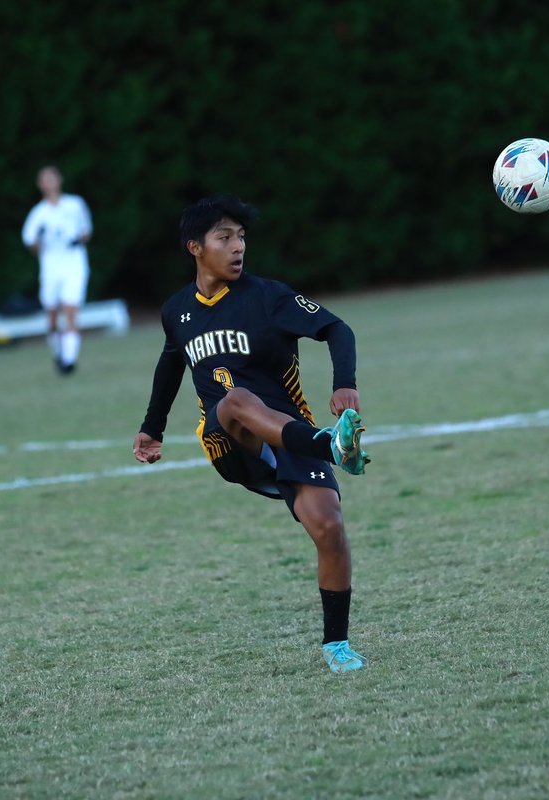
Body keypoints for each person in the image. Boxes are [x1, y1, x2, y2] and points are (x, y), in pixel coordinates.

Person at [133, 195, 372, 673]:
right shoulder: (177, 311)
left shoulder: (269, 296)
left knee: (329, 528)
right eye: (225, 237)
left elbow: (336, 329)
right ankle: (332, 444)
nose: (238, 246)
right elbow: (170, 364)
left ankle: (337, 646)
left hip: (289, 431)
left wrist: (344, 381)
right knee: (236, 400)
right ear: (195, 247)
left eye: (242, 237)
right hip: (228, 439)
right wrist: (151, 429)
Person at [21, 165, 93, 375]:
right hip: (51, 269)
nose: (49, 183)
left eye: (52, 178)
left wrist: (76, 240)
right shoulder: (38, 213)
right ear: (40, 185)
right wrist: (40, 239)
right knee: (52, 316)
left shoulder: (75, 204)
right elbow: (31, 244)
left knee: (70, 310)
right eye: (45, 180)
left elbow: (86, 232)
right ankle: (59, 352)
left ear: (59, 180)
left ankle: (69, 361)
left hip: (74, 265)